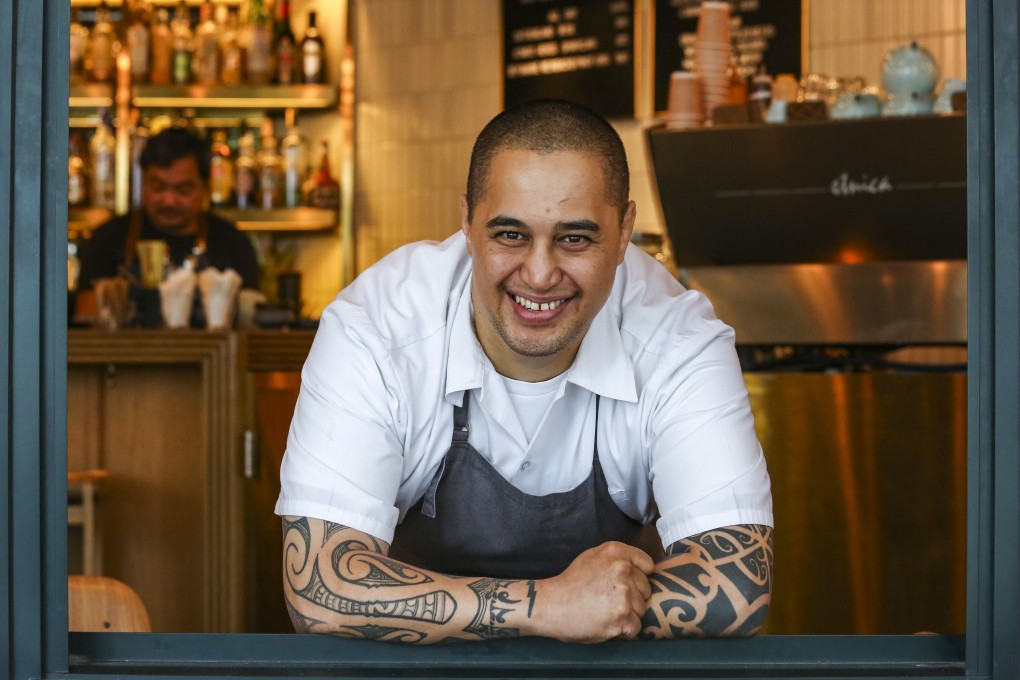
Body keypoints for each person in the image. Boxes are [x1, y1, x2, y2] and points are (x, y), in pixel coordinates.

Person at [276, 99, 773, 644]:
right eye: (510, 235)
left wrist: (558, 612)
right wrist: (544, 606)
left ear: (625, 229)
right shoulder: (378, 330)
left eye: (575, 238)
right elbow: (317, 588)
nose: (539, 274)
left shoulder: (677, 340)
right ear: (467, 222)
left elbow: (738, 588)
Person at [75, 126, 259, 317]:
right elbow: (87, 321)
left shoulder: (233, 244)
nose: (169, 200)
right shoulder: (107, 239)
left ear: (206, 188)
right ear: (143, 183)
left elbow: (249, 324)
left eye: (183, 190)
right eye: (158, 187)